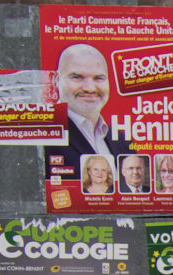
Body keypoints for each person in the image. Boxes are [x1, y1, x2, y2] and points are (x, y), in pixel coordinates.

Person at [44, 43, 129, 181]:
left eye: (99, 78)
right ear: (56, 81)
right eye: (77, 77)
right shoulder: (42, 134)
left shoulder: (122, 140)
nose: (90, 88)